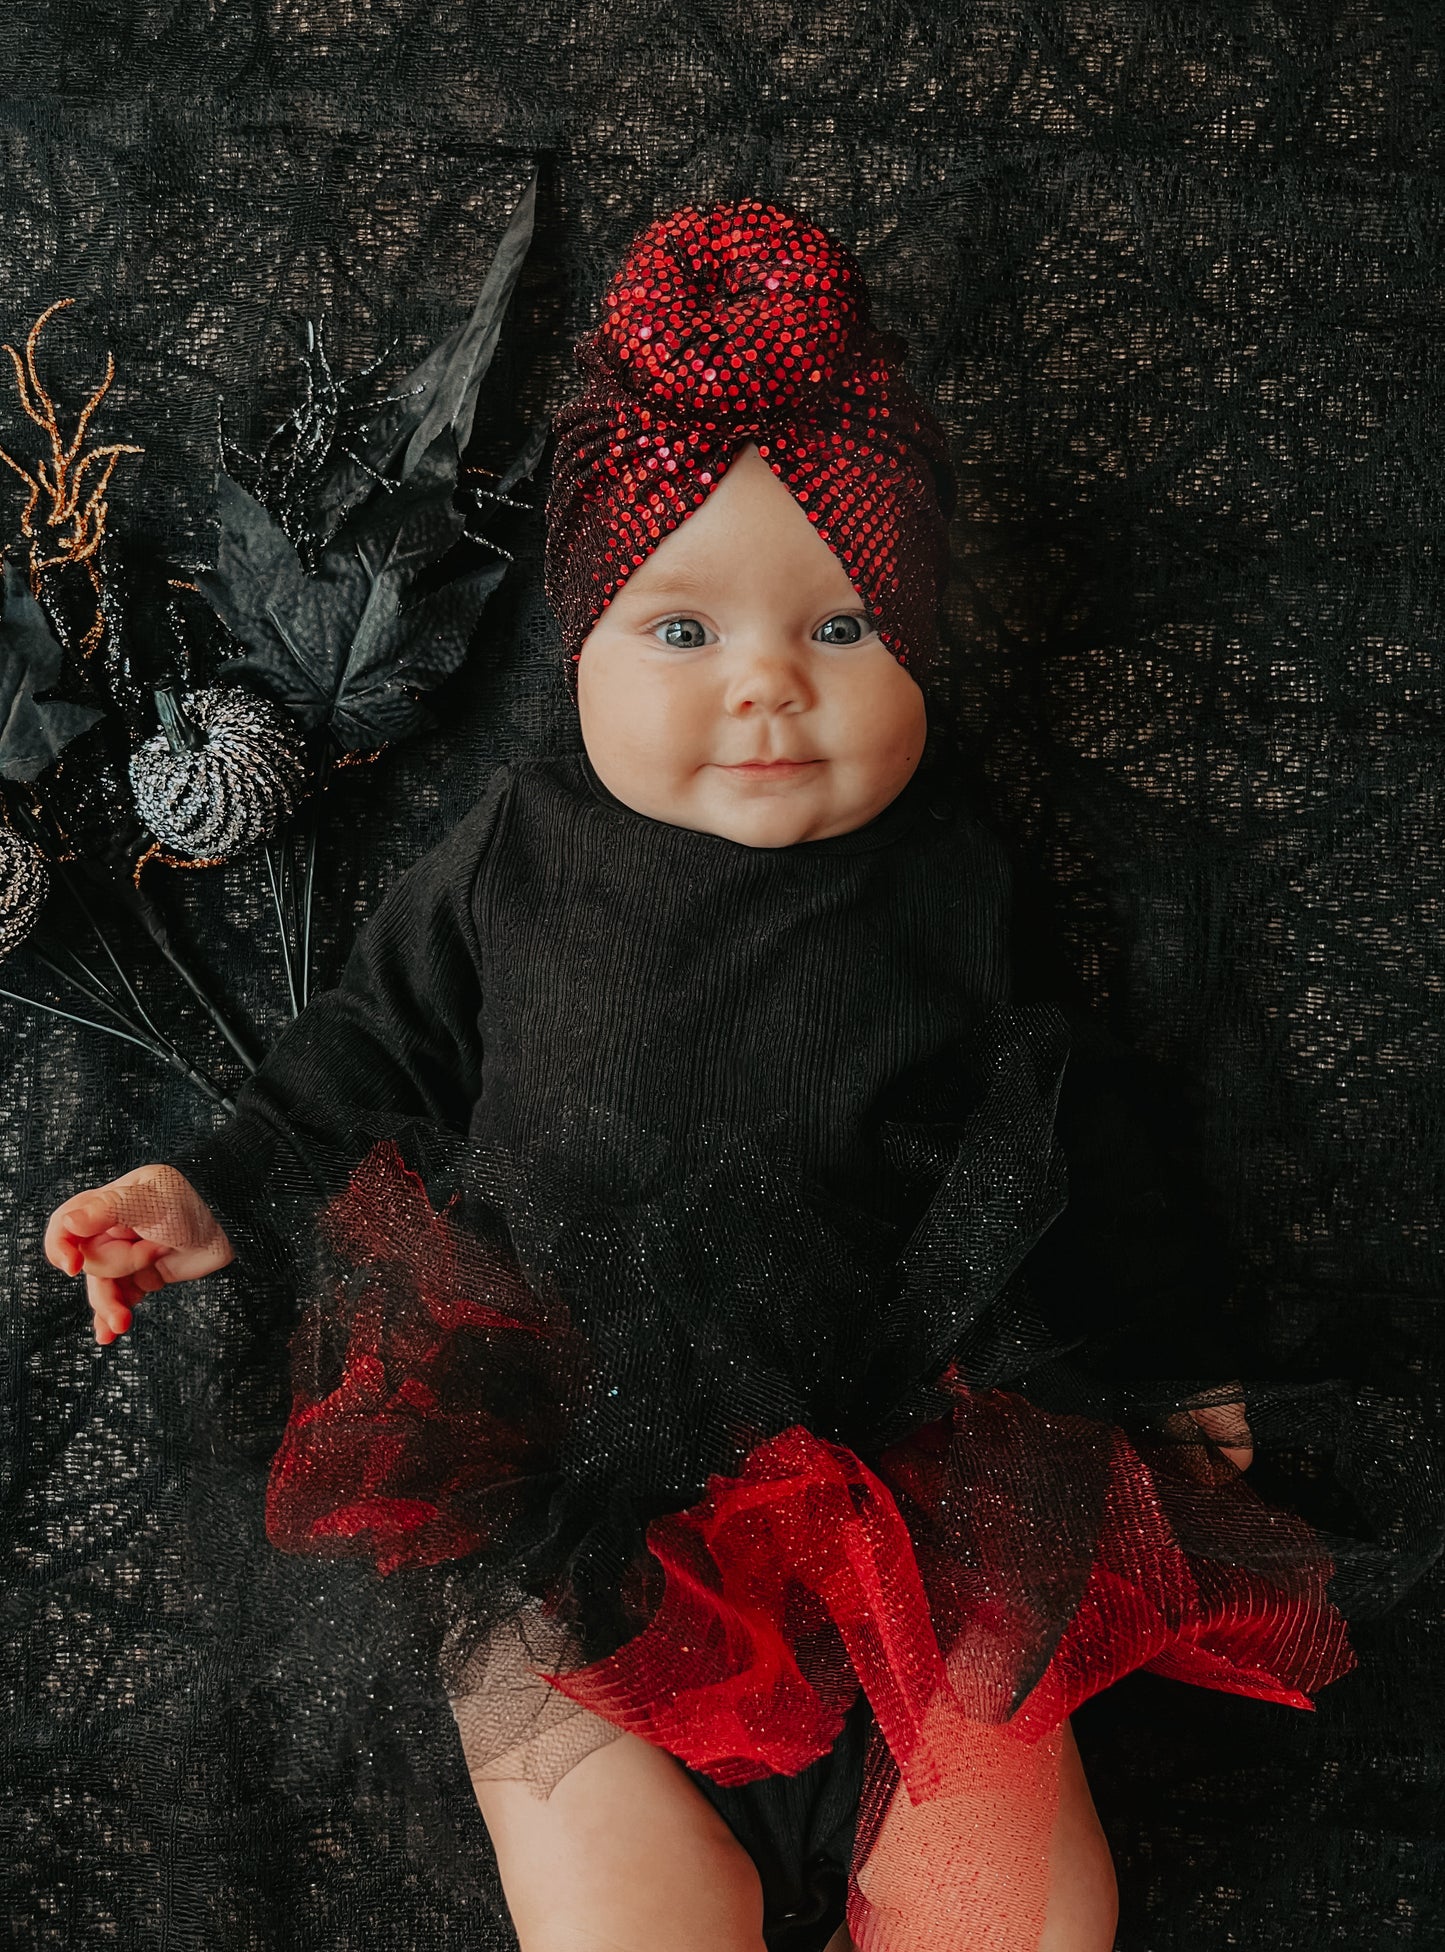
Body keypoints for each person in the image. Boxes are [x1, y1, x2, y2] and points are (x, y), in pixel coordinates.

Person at [43, 200, 1356, 1952]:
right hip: (569, 1484)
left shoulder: (959, 879)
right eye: (682, 633)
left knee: (1024, 1901)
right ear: (574, 649)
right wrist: (201, 1186)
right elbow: (365, 1052)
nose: (764, 691)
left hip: (923, 1489)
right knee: (597, 1864)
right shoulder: (516, 851)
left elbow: (1078, 1133)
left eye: (839, 632)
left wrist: (1180, 1357)